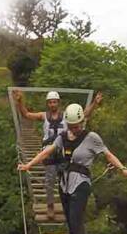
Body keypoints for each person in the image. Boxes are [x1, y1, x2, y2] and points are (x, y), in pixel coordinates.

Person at [17, 102, 127, 234]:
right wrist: (29, 165)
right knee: (68, 218)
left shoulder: (92, 137)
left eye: (78, 125)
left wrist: (122, 169)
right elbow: (48, 151)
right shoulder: (63, 137)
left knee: (76, 220)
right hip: (64, 183)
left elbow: (108, 154)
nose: (75, 129)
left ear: (82, 121)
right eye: (72, 126)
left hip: (81, 184)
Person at [14, 90, 103, 220]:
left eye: (54, 102)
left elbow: (83, 115)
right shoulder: (43, 116)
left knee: (66, 178)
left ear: (58, 103)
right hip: (50, 152)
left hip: (64, 151)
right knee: (50, 180)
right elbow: (26, 114)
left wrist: (94, 103)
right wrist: (20, 101)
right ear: (47, 104)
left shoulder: (67, 116)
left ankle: (67, 202)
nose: (52, 104)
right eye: (50, 102)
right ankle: (50, 206)